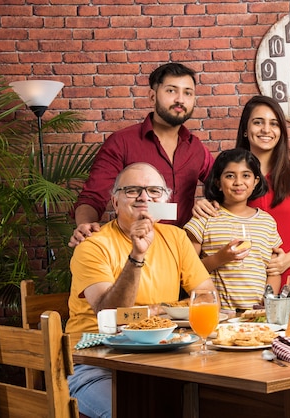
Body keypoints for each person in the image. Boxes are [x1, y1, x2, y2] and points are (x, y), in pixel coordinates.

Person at [66, 162, 216, 418]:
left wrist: (157, 313)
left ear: (164, 200)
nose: (145, 197)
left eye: (154, 191)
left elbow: (207, 298)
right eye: (133, 190)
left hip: (164, 360)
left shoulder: (176, 237)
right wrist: (137, 255)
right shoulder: (92, 246)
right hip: (96, 365)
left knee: (222, 403)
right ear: (115, 202)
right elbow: (109, 314)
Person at [69, 62, 214, 247]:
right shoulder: (122, 142)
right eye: (171, 91)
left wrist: (208, 205)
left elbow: (224, 187)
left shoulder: (196, 148)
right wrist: (85, 225)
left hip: (185, 252)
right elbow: (93, 197)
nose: (180, 99)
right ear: (152, 96)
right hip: (135, 249)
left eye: (188, 93)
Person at [193, 96, 290, 287]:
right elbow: (216, 216)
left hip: (288, 276)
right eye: (258, 122)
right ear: (246, 130)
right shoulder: (231, 176)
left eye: (274, 124)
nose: (266, 129)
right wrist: (203, 204)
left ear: (281, 131)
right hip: (238, 282)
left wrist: (285, 261)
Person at [185, 149, 282, 312]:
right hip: (217, 313)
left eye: (246, 175)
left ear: (256, 181)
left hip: (255, 313)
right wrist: (220, 258)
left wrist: (268, 301)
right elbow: (188, 271)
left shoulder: (267, 222)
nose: (238, 182)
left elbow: (273, 271)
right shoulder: (205, 217)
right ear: (218, 182)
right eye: (230, 175)